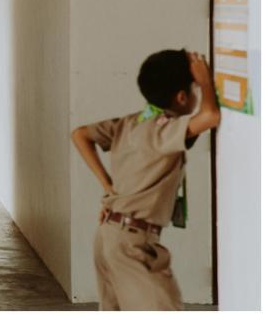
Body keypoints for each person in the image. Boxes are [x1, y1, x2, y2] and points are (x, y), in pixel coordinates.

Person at [71, 50, 221, 310]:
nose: (198, 93)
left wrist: (108, 187)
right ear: (182, 97)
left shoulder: (131, 122)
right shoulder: (163, 130)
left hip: (109, 235)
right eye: (194, 89)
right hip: (132, 243)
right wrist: (207, 83)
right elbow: (210, 116)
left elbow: (79, 135)